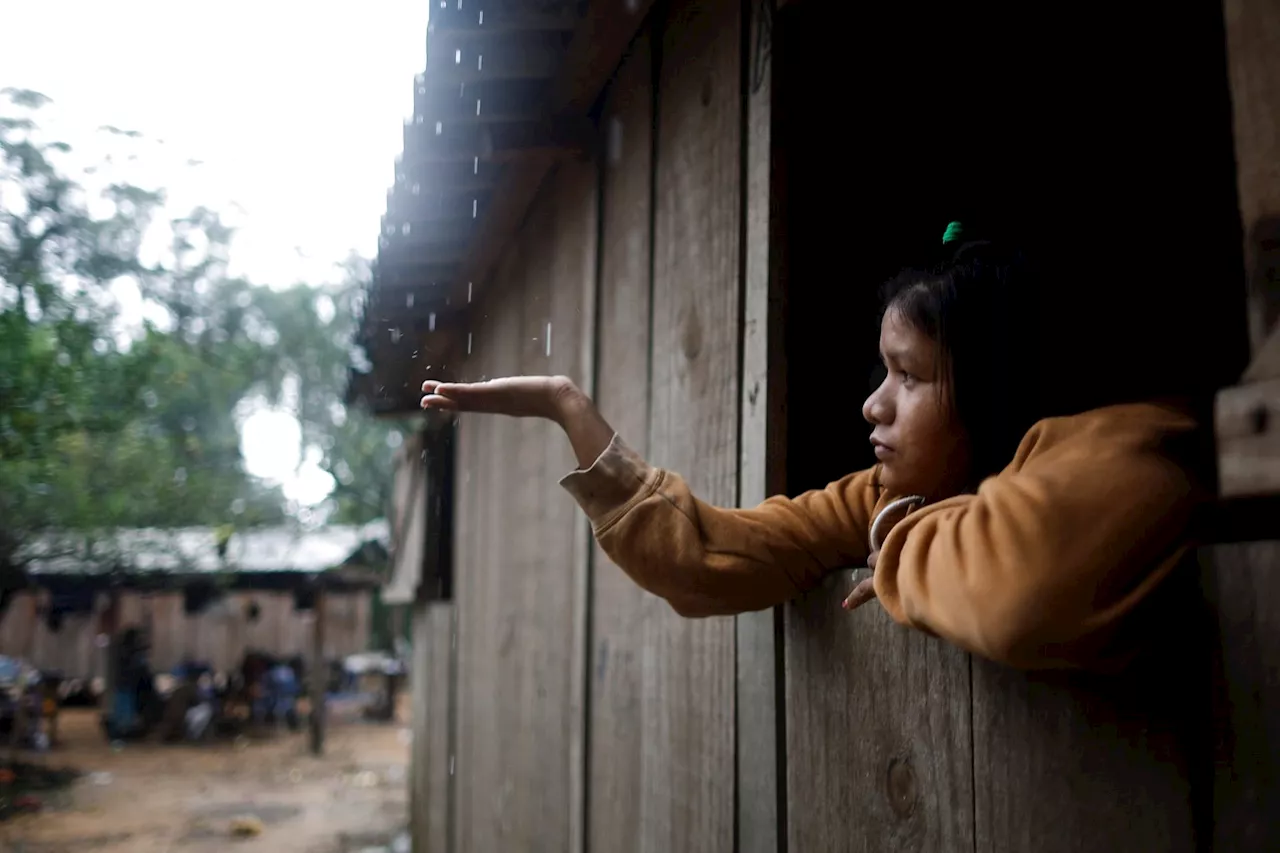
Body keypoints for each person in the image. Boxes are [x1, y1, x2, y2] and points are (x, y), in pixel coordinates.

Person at [419, 222, 1207, 672]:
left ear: (997, 389)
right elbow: (707, 559)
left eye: (909, 375)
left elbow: (1024, 590)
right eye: (882, 372)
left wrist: (898, 547)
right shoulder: (876, 495)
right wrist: (571, 408)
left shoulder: (1130, 445)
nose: (873, 402)